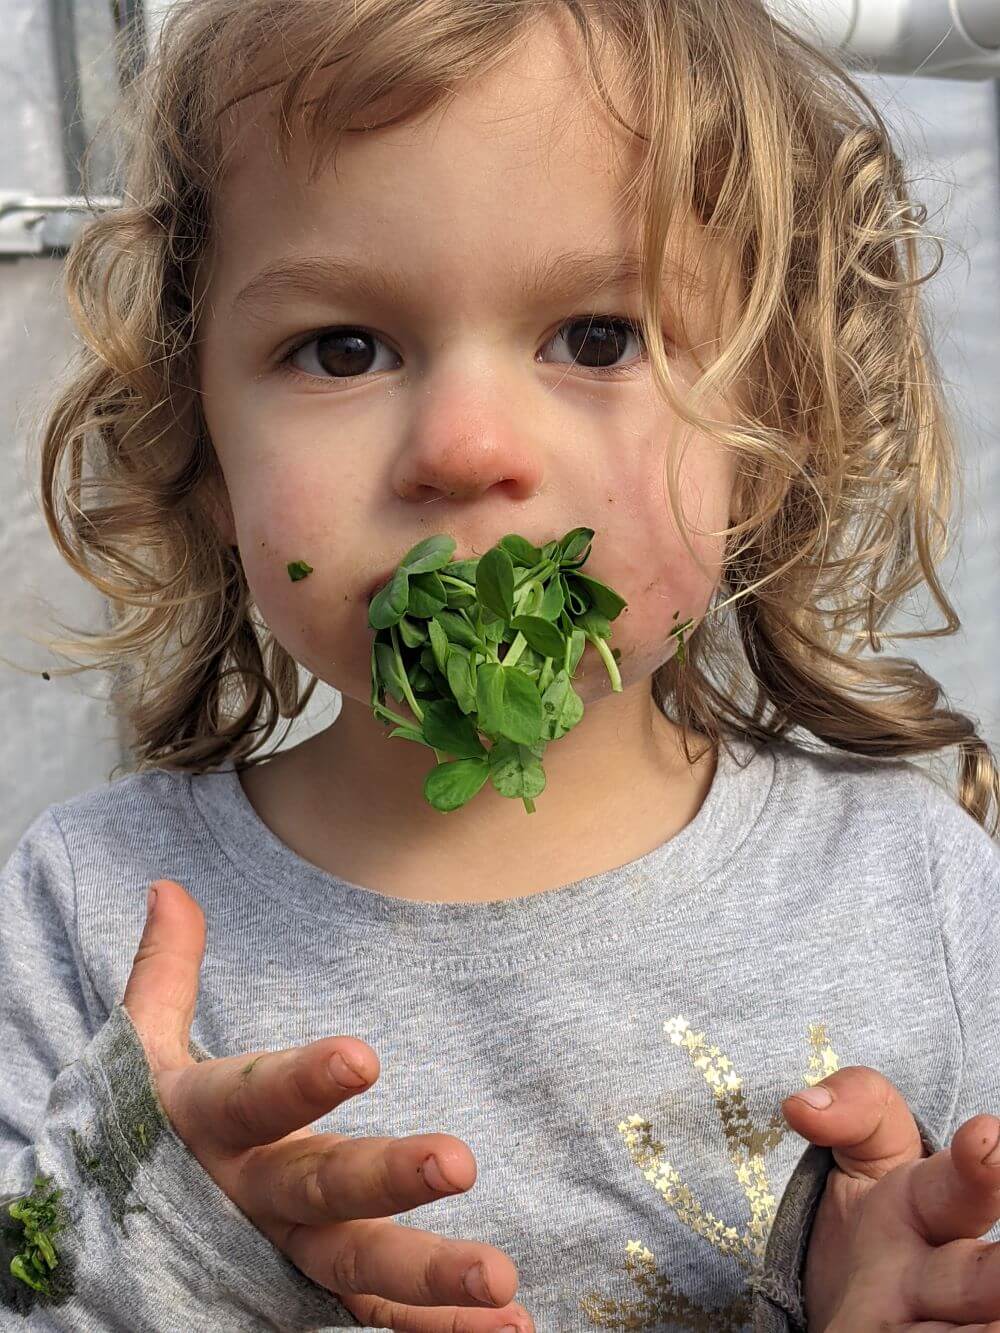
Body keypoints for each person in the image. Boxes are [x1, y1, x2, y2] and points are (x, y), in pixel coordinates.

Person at [2, 0, 999, 1328]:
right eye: (342, 348)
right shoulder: (93, 910)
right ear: (201, 441)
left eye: (598, 336)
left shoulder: (917, 890)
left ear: (769, 427)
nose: (467, 448)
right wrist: (164, 1217)